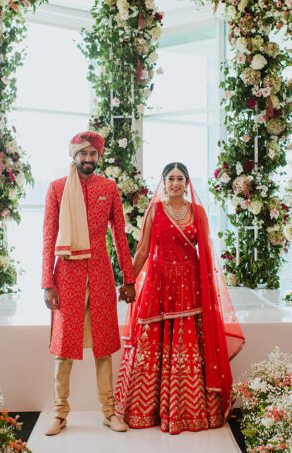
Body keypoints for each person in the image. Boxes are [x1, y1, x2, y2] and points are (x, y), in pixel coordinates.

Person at [114, 162, 245, 434]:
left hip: (190, 287)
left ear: (187, 183)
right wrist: (128, 281)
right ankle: (145, 410)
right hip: (158, 284)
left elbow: (206, 254)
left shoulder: (198, 212)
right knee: (152, 344)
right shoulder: (155, 211)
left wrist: (210, 290)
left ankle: (188, 411)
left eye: (180, 178)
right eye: (170, 178)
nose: (175, 183)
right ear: (163, 183)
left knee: (187, 349)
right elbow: (142, 252)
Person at [41, 131, 137, 436]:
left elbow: (120, 236)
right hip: (66, 275)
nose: (88, 159)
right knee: (64, 349)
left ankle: (110, 412)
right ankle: (59, 413)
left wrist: (129, 279)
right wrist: (47, 283)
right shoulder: (57, 189)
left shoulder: (108, 188)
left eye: (93, 154)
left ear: (99, 157)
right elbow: (48, 237)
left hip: (99, 273)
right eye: (83, 153)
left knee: (104, 346)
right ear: (74, 155)